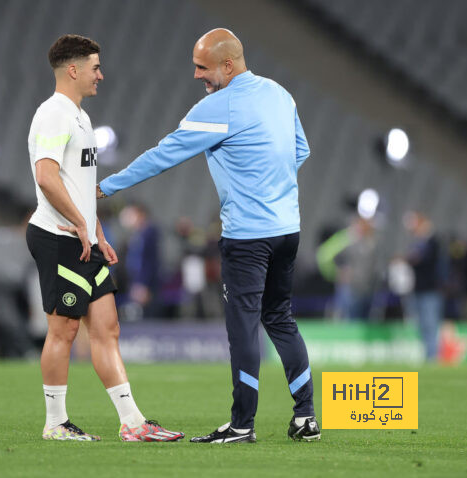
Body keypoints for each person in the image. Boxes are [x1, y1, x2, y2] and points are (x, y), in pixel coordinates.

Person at [98, 29, 319, 443]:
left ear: (228, 65)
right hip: (287, 230)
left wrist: (106, 186)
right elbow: (301, 150)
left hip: (247, 238)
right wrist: (272, 188)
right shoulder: (279, 94)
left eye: (203, 67)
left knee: (243, 328)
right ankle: (306, 417)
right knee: (280, 320)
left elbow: (164, 154)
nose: (197, 75)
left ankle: (241, 425)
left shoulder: (219, 105)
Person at [25, 34, 183, 442]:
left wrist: (97, 231)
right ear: (73, 70)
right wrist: (80, 224)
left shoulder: (81, 117)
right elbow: (45, 177)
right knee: (63, 331)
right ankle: (55, 423)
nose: (101, 74)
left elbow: (79, 182)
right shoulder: (54, 114)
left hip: (82, 237)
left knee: (108, 327)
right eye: (95, 67)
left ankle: (132, 422)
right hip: (58, 237)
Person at [404, 211, 446, 361]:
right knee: (421, 325)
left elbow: (425, 261)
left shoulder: (433, 242)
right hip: (418, 290)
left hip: (431, 291)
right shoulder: (416, 244)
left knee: (430, 325)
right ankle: (428, 355)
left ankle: (432, 357)